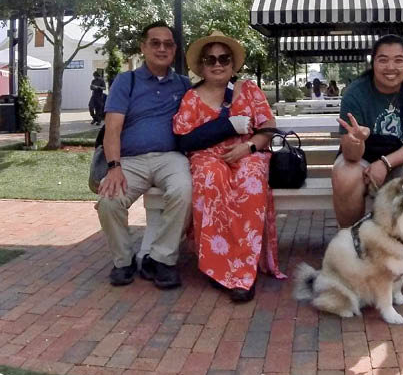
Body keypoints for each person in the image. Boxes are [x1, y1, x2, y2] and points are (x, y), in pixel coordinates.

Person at [97, 21, 217, 290]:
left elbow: (213, 99)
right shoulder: (125, 82)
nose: (162, 48)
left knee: (184, 189)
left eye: (168, 44)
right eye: (155, 43)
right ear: (143, 47)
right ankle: (124, 261)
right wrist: (114, 166)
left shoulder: (185, 85)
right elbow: (112, 129)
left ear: (174, 50)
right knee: (108, 201)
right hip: (130, 161)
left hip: (170, 158)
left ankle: (161, 259)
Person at [173, 31, 285, 302]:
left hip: (248, 153)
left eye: (224, 58)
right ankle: (218, 268)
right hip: (207, 157)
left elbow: (268, 128)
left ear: (233, 64)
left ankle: (244, 274)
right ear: (201, 65)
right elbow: (183, 138)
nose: (217, 64)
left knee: (250, 181)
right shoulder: (191, 98)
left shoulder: (248, 91)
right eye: (210, 59)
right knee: (211, 180)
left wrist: (247, 147)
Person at [332, 34, 403, 286]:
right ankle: (354, 245)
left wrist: (385, 163)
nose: (391, 67)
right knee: (345, 174)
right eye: (383, 60)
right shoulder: (355, 92)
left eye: (398, 60)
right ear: (372, 62)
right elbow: (350, 155)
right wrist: (356, 141)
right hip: (365, 157)